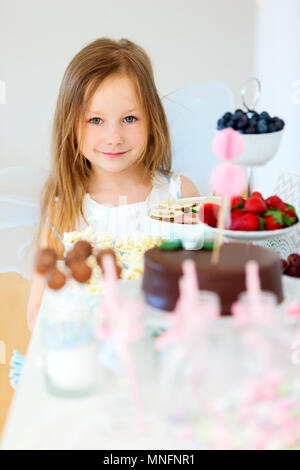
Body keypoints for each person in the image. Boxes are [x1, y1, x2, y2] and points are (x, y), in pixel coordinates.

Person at [22, 37, 197, 334]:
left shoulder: (179, 195)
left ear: (151, 120)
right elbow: (38, 312)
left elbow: (204, 285)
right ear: (71, 125)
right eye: (95, 120)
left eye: (129, 118)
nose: (113, 136)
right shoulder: (64, 208)